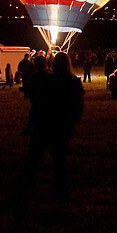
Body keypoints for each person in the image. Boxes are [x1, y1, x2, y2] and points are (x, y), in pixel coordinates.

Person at [16, 51, 84, 203]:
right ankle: (61, 191)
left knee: (33, 158)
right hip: (62, 127)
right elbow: (78, 106)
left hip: (43, 125)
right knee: (60, 160)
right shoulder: (73, 81)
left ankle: (23, 189)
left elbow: (36, 100)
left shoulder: (46, 79)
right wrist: (71, 122)